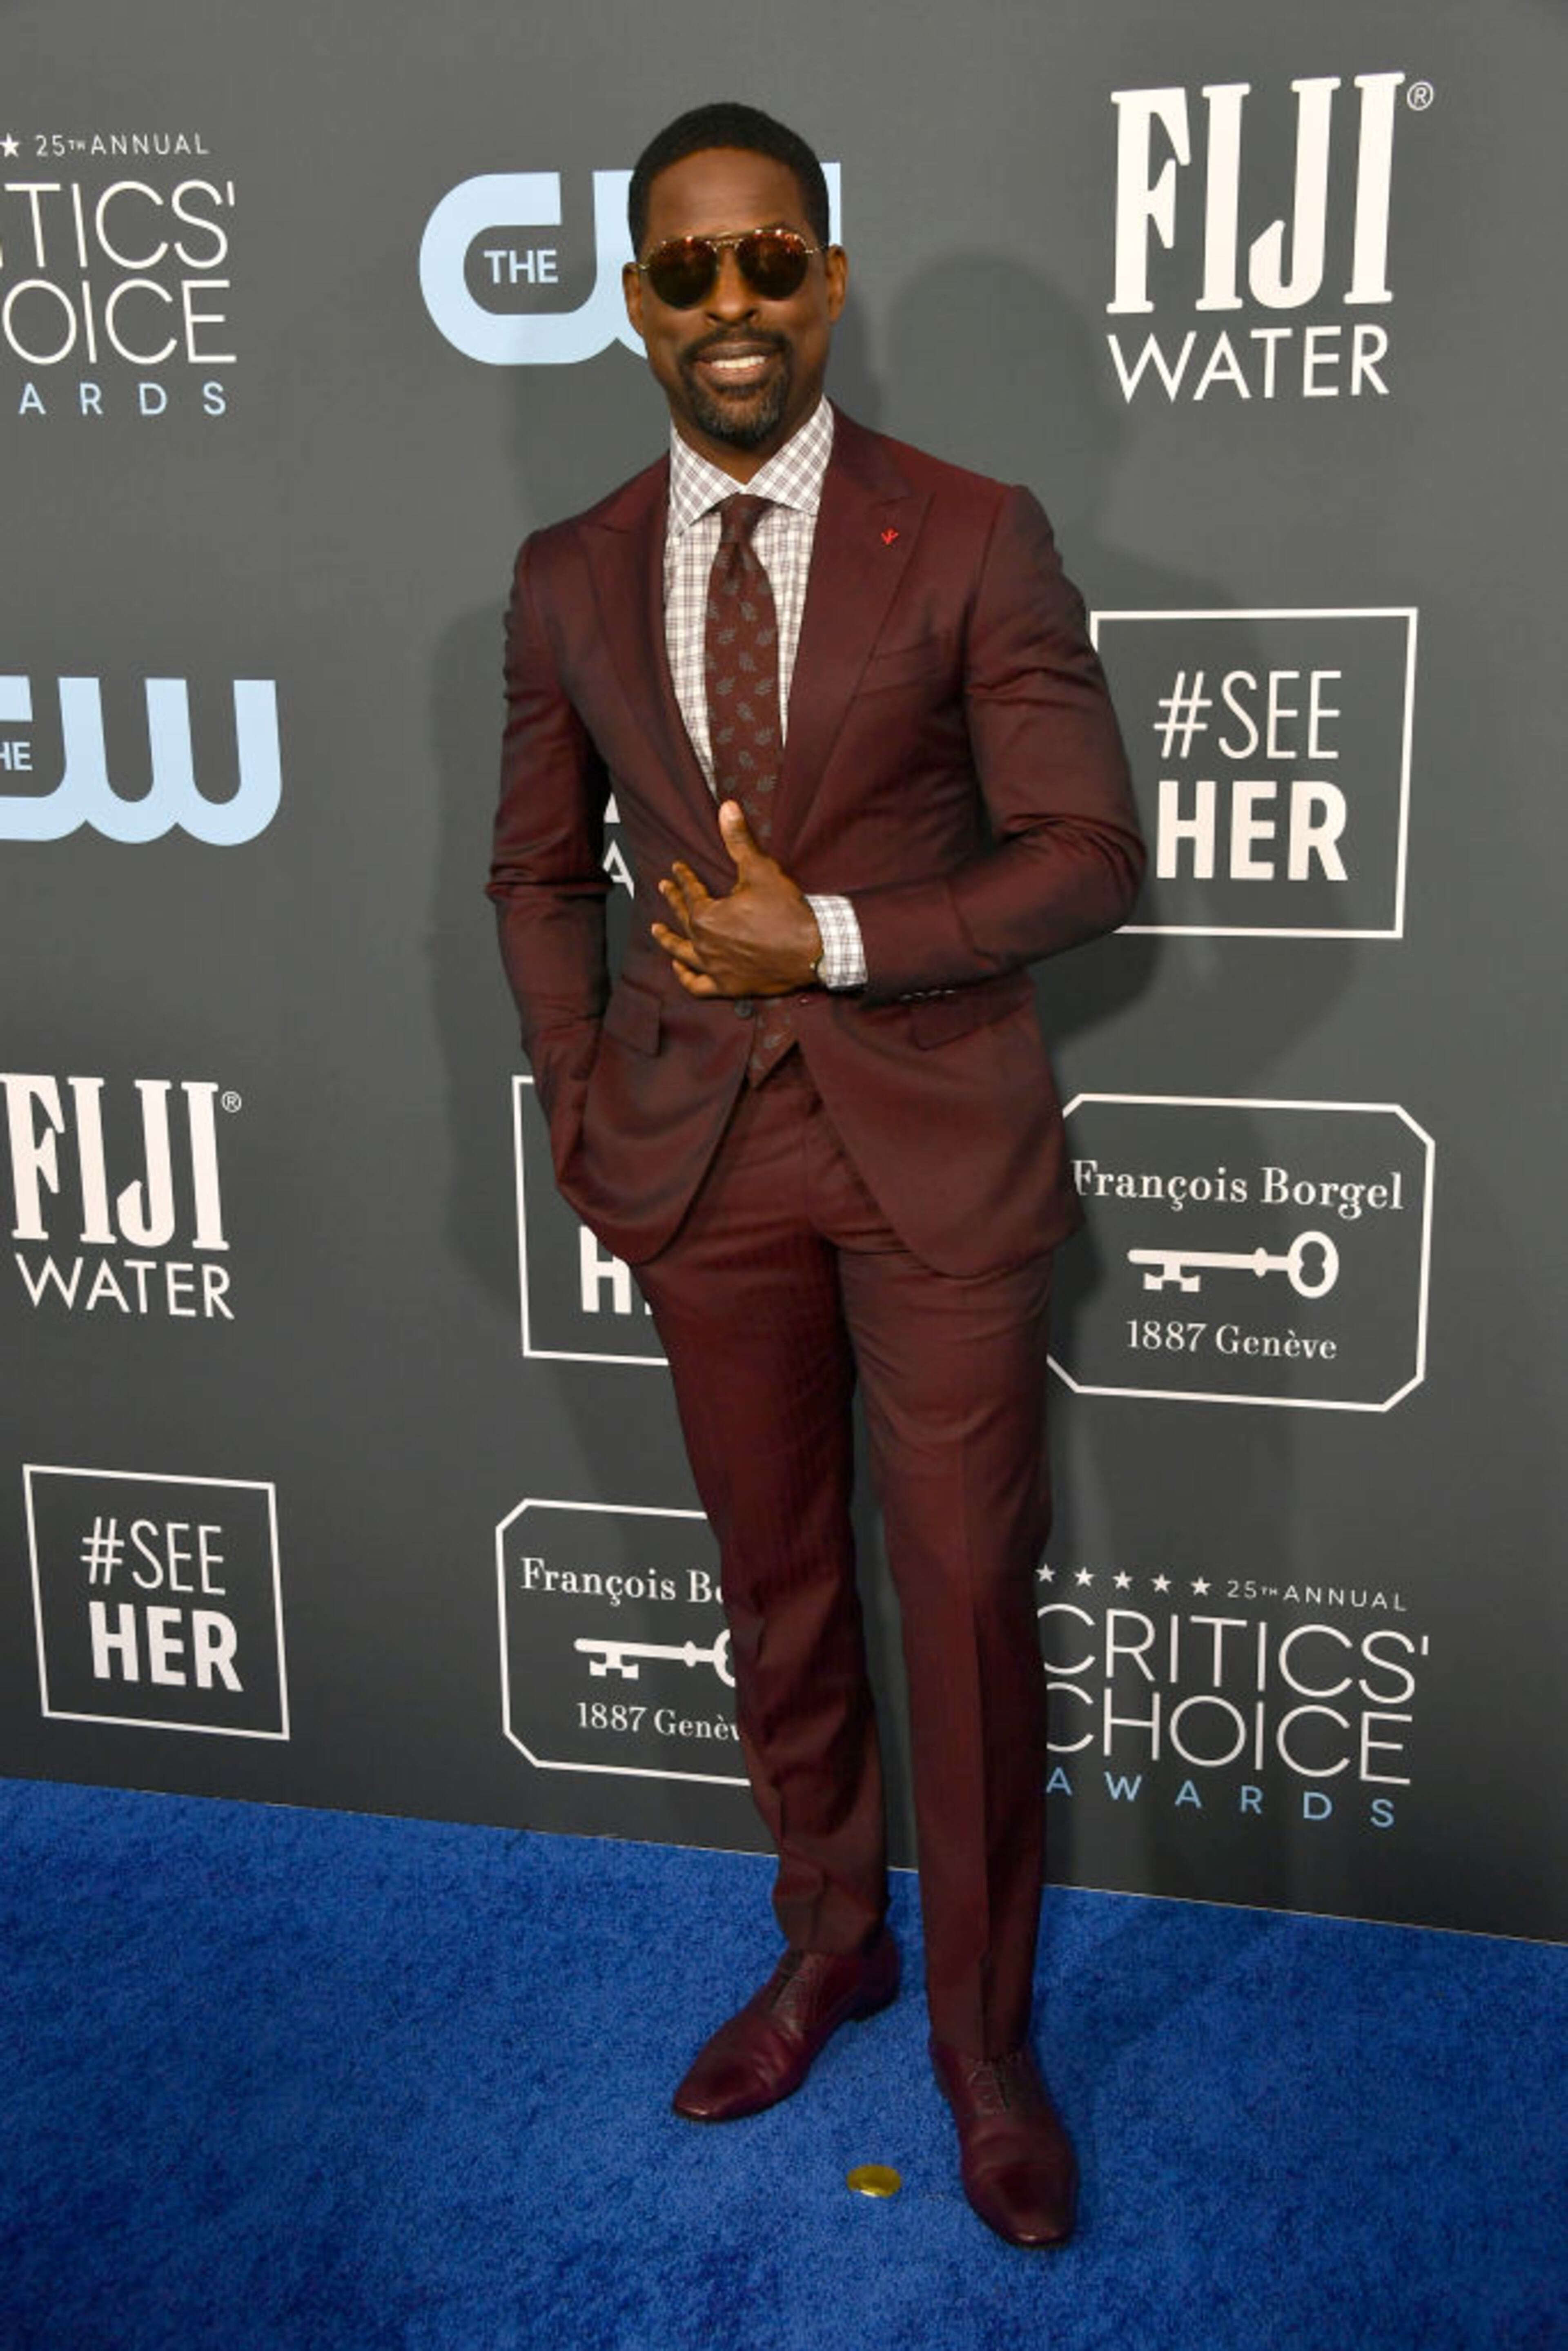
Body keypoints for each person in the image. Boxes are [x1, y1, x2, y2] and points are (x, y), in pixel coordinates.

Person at [488, 100, 1144, 2248]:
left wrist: (837, 940)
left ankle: (979, 2042)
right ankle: (827, 1940)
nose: (734, 304)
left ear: (829, 279)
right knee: (781, 1594)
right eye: (688, 270)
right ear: (634, 305)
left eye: (772, 259)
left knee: (956, 1600)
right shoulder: (572, 572)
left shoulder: (967, 532)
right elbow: (528, 871)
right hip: (701, 1168)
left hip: (934, 1153)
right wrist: (589, 1103)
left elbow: (1085, 853)